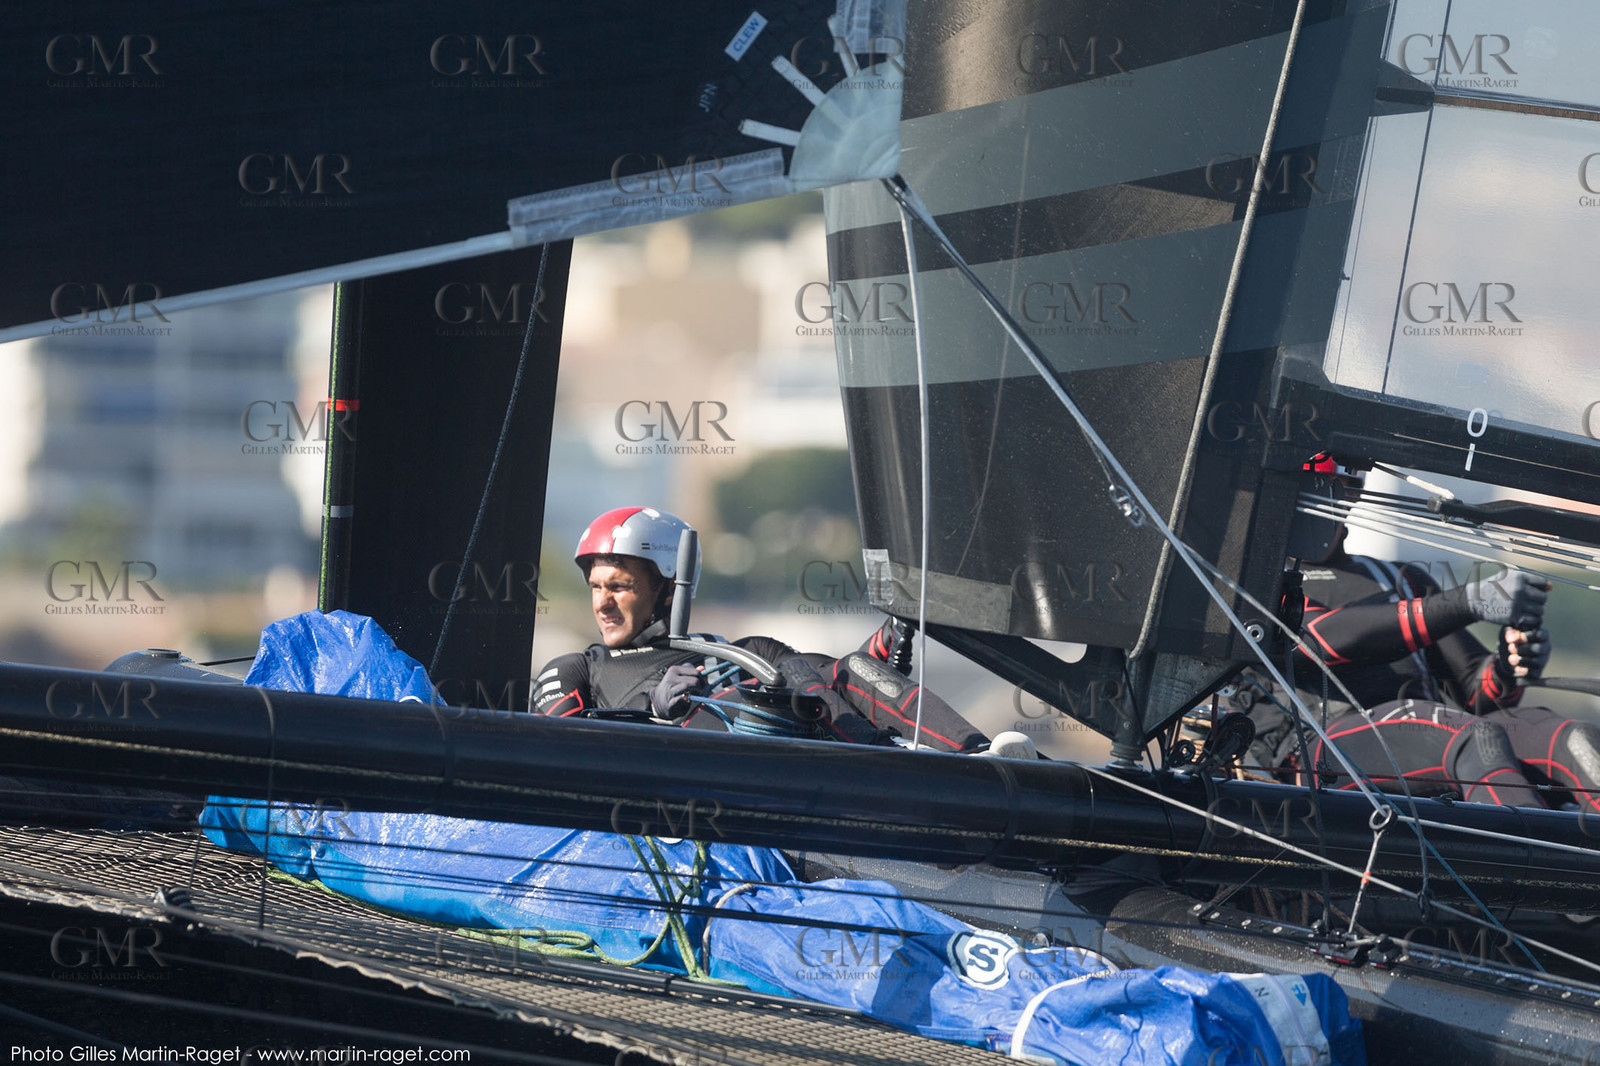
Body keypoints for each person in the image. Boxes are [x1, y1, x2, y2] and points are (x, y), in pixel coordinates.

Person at [1237, 457, 1600, 813]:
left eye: (1348, 490)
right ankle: (1528, 869)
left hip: (1429, 731)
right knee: (1477, 739)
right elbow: (1317, 642)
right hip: (1317, 751)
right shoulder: (1256, 581)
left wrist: (1508, 665)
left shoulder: (1402, 579)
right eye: (1328, 489)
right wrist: (1467, 602)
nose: (1339, 502)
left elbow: (1475, 693)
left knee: (1576, 740)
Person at [533, 506, 988, 752]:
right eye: (596, 588)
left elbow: (832, 678)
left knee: (849, 665)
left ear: (667, 587)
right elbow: (561, 754)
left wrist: (889, 640)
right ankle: (881, 762)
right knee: (742, 693)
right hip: (708, 785)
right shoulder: (578, 668)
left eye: (619, 587)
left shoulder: (740, 650)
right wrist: (648, 708)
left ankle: (984, 758)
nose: (602, 603)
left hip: (816, 761)